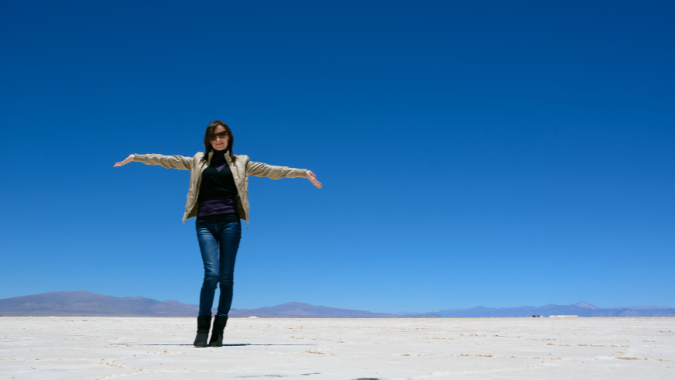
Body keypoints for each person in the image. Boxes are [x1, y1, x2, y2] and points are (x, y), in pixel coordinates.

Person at [114, 120, 321, 347]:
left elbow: (271, 171)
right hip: (205, 223)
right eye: (213, 137)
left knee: (226, 278)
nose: (218, 139)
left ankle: (219, 331)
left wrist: (302, 173)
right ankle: (202, 329)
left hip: (231, 223)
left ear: (229, 137)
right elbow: (167, 160)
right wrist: (137, 157)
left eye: (222, 135)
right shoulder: (197, 161)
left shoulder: (242, 162)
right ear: (208, 140)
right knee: (211, 274)